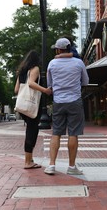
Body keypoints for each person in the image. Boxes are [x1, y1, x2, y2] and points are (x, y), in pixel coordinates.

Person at [44, 38, 89, 175]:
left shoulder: (52, 63)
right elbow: (85, 81)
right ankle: (71, 167)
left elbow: (49, 84)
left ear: (58, 49)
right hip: (75, 100)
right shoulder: (78, 63)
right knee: (73, 133)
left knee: (56, 133)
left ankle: (52, 165)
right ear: (70, 48)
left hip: (58, 101)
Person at [14, 50, 52, 169]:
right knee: (32, 131)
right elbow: (30, 83)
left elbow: (16, 90)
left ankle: (30, 158)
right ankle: (27, 162)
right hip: (32, 105)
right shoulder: (35, 69)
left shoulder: (21, 72)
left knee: (31, 130)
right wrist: (45, 90)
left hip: (23, 106)